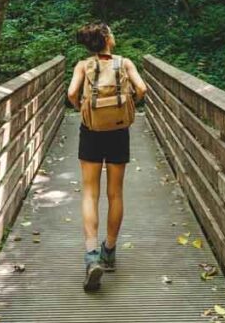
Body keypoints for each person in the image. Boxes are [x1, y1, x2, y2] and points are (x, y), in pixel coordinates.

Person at [66, 22, 147, 292]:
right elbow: (143, 90)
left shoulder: (82, 66)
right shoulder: (125, 63)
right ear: (107, 39)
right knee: (115, 193)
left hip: (91, 130)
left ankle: (91, 257)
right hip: (118, 132)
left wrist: (85, 111)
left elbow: (71, 94)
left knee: (90, 192)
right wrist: (124, 108)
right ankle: (109, 251)